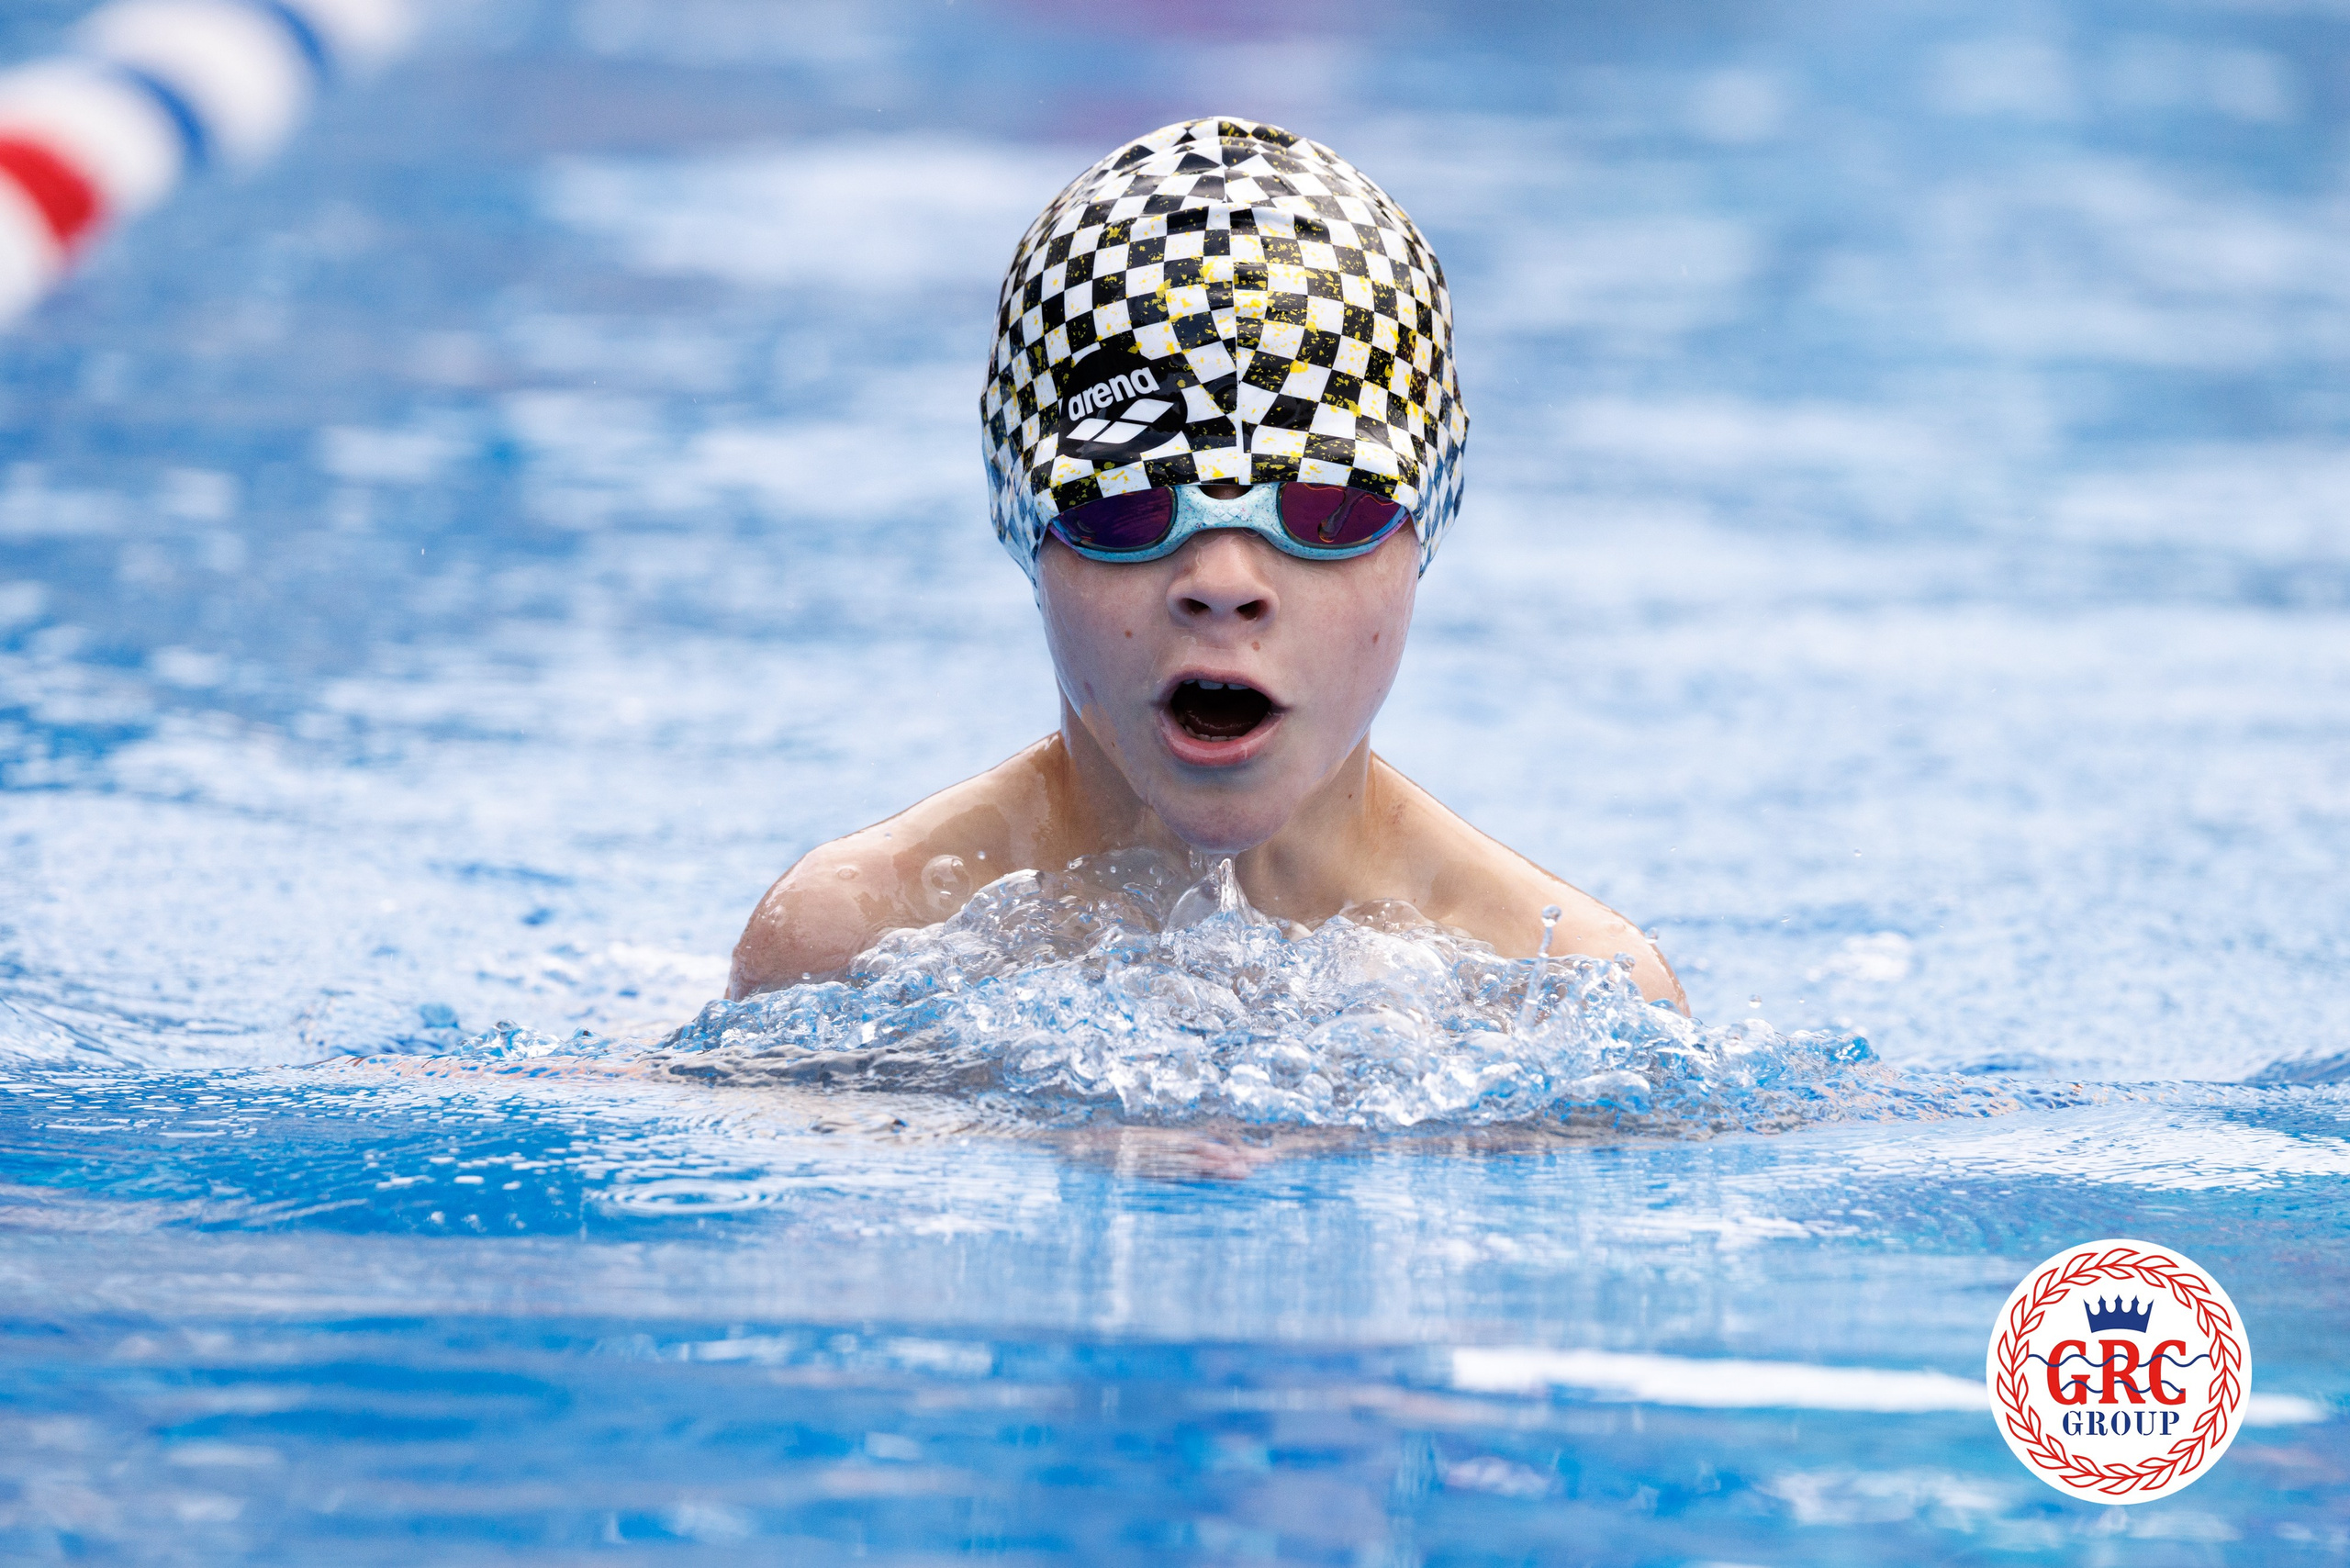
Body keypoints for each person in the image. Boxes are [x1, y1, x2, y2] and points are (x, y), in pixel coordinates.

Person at [729, 118, 1683, 1010]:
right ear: (1022, 517)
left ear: (1426, 518)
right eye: (1128, 505)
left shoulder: (1561, 985)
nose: (1223, 581)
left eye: (1325, 506)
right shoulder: (849, 943)